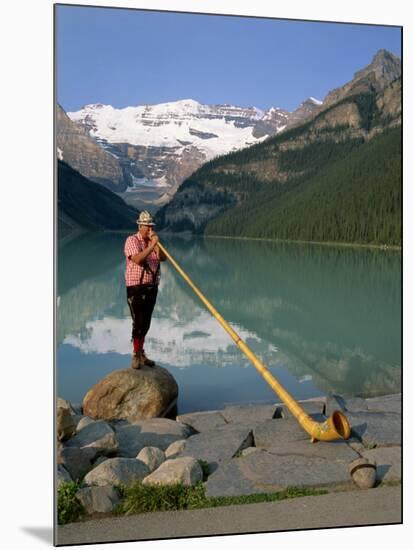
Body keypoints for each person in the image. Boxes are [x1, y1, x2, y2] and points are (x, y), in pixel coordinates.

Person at [124, 210, 166, 369]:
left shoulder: (152, 242)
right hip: (136, 285)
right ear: (140, 226)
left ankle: (141, 353)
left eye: (151, 226)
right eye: (147, 226)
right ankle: (136, 355)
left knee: (146, 322)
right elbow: (138, 259)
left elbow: (163, 258)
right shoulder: (131, 240)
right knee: (138, 321)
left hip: (152, 285)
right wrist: (152, 245)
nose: (150, 229)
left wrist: (156, 245)